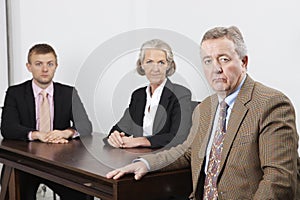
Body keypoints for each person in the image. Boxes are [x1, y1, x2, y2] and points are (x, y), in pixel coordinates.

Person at [106, 26, 300, 199]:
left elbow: (279, 181)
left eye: (223, 59)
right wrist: (146, 164)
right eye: (208, 61)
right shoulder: (205, 108)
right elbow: (187, 152)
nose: (216, 68)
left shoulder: (271, 104)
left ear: (244, 62)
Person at [0, 43, 93, 199]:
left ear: (56, 66)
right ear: (29, 66)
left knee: (83, 195)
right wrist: (38, 135)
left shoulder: (68, 92)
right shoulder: (15, 92)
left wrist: (65, 132)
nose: (45, 69)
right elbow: (8, 128)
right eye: (39, 64)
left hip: (61, 163)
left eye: (50, 64)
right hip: (25, 161)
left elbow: (85, 125)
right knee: (13, 192)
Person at [107, 39, 194, 148]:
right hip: (136, 156)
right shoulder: (138, 95)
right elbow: (120, 128)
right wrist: (115, 137)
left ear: (168, 65)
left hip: (164, 158)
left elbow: (179, 137)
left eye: (161, 62)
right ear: (141, 64)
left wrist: (140, 141)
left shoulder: (181, 94)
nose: (155, 69)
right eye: (149, 62)